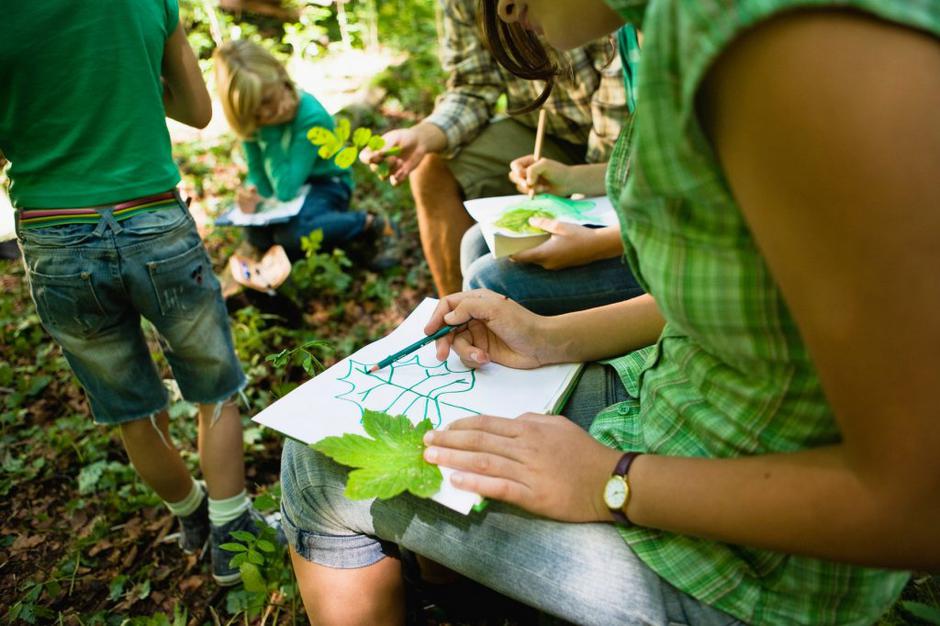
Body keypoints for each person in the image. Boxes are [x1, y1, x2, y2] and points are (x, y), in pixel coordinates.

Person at [278, 0, 940, 624]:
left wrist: (611, 483)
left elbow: (920, 501)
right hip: (669, 419)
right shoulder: (665, 26)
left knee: (315, 468)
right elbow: (747, 293)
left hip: (748, 571)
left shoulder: (784, 40)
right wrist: (547, 338)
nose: (501, 9)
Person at [0, 1, 269, 586]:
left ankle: (192, 514)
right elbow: (199, 111)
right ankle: (232, 533)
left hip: (54, 235)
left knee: (131, 408)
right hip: (152, 221)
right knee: (213, 386)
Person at [364, 0, 629, 296]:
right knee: (432, 171)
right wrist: (425, 134)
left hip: (626, 145)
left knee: (496, 273)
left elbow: (618, 119)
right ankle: (454, 318)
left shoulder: (609, 19)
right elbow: (473, 86)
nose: (504, 12)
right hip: (545, 136)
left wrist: (579, 196)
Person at [461, 25, 644, 316]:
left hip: (679, 250)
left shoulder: (678, 33)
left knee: (488, 279)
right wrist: (571, 178)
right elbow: (644, 170)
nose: (511, 14)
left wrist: (599, 245)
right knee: (477, 241)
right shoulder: (627, 35)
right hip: (644, 218)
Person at [213, 39, 396, 266]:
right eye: (255, 113)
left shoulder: (310, 117)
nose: (265, 114)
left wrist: (269, 136)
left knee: (291, 234)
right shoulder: (255, 122)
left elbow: (285, 189)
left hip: (328, 184)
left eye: (268, 100)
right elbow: (261, 178)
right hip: (293, 191)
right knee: (256, 235)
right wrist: (252, 194)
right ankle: (326, 245)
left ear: (279, 76)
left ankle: (369, 223)